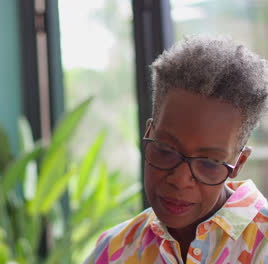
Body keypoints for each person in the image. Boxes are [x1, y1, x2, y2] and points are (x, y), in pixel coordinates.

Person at [84, 36, 268, 263]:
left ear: (238, 163)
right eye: (166, 150)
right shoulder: (114, 250)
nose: (180, 180)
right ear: (149, 133)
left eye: (208, 162)